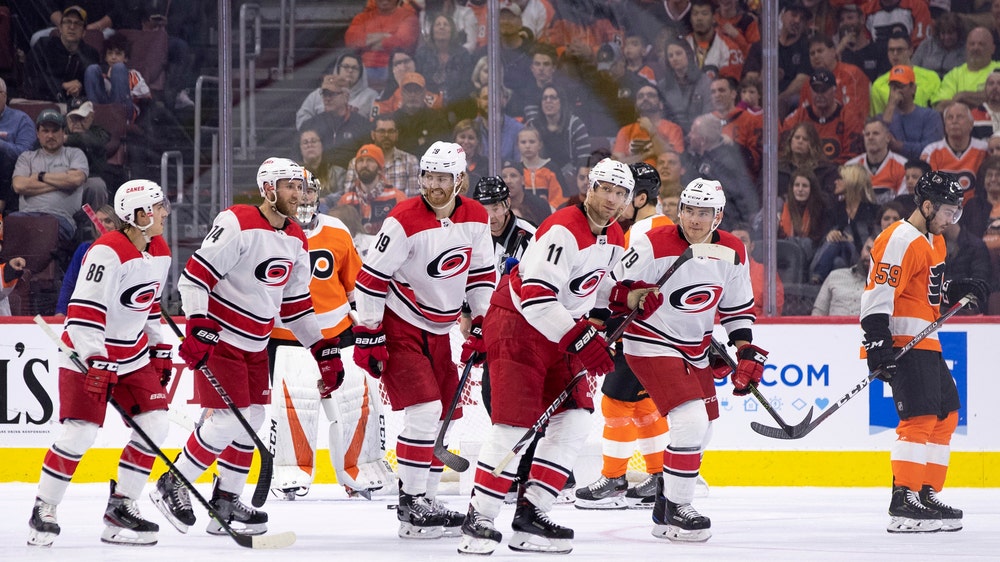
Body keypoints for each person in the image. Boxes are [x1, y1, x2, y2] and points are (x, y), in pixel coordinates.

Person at [457, 157, 661, 555]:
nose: (613, 199)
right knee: (514, 425)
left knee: (576, 416)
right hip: (518, 325)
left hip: (560, 329)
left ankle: (533, 512)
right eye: (606, 190)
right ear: (590, 189)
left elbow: (594, 288)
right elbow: (535, 298)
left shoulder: (615, 234)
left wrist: (628, 296)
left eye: (621, 193)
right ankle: (479, 517)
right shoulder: (563, 229)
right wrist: (583, 341)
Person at [150, 158, 342, 536]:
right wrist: (199, 324)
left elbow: (296, 305)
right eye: (290, 186)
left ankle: (225, 501)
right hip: (220, 338)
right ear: (268, 189)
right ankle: (174, 481)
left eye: (301, 187)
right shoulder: (237, 221)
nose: (298, 194)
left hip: (256, 344)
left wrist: (322, 349)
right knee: (226, 419)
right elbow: (193, 279)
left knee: (252, 419)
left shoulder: (296, 238)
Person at [351, 141, 496, 540]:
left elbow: (482, 274)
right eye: (428, 176)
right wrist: (368, 333)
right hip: (400, 323)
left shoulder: (477, 217)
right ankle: (412, 501)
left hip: (440, 328)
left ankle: (423, 506)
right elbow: (371, 279)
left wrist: (482, 320)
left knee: (445, 412)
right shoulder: (402, 219)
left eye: (442, 178)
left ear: (459, 180)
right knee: (425, 409)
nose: (433, 185)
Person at [613, 178, 764, 543]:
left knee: (704, 429)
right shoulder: (652, 243)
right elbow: (612, 283)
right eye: (689, 211)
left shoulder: (733, 250)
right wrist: (631, 295)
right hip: (650, 341)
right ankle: (681, 508)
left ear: (719, 216)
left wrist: (745, 350)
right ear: (679, 210)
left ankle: (665, 506)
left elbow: (736, 309)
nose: (695, 220)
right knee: (690, 421)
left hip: (696, 346)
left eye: (704, 213)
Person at [27, 179, 172, 547]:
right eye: (158, 207)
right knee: (81, 433)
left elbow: (148, 305)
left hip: (133, 355)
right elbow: (83, 313)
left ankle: (121, 507)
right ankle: (44, 508)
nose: (164, 212)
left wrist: (159, 348)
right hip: (87, 353)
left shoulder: (160, 250)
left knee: (155, 424)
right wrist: (96, 358)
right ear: (138, 215)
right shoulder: (107, 251)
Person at [860, 171, 989, 533]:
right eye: (948, 211)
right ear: (927, 205)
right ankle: (903, 501)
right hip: (902, 344)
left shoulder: (935, 241)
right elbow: (877, 293)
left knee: (945, 416)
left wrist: (955, 289)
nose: (952, 219)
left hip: (928, 343)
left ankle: (926, 493)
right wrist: (876, 343)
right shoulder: (900, 238)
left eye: (956, 212)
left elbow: (927, 289)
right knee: (918, 421)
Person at [575, 163, 670, 510]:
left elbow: (615, 285)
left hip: (641, 334)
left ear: (640, 198)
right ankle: (660, 477)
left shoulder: (641, 234)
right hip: (658, 335)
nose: (616, 202)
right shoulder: (666, 227)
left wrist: (605, 326)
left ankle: (613, 479)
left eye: (624, 195)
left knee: (614, 402)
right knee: (643, 404)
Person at [267, 171, 367, 498]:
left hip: (339, 334)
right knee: (294, 406)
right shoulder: (270, 233)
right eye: (296, 189)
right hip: (286, 335)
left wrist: (368, 327)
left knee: (352, 404)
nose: (303, 197)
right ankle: (291, 473)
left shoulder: (337, 231)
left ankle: (359, 470)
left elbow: (356, 288)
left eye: (308, 190)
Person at [11, 109, 96, 242]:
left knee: (40, 238)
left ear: (63, 133)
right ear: (37, 134)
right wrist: (62, 183)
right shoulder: (26, 157)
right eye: (45, 131)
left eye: (55, 130)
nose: (50, 135)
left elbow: (75, 179)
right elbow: (19, 186)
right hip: (24, 215)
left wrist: (40, 176)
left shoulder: (75, 154)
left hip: (59, 219)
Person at [683, 114, 759, 230]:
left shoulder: (726, 163)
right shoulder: (706, 156)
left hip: (726, 227)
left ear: (703, 140)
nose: (689, 136)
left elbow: (735, 198)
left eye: (693, 132)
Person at [810, 164, 880, 284]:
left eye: (840, 178)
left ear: (852, 182)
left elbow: (874, 239)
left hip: (861, 256)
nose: (835, 182)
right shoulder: (834, 208)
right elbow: (820, 239)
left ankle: (817, 276)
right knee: (838, 260)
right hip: (839, 256)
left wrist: (852, 239)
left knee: (841, 243)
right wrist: (830, 234)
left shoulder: (873, 211)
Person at [780, 69, 865, 166]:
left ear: (834, 91)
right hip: (801, 173)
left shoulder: (849, 118)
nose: (819, 94)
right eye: (816, 89)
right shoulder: (798, 117)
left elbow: (853, 157)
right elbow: (784, 152)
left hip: (837, 174)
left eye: (823, 90)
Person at [336, 144, 407, 253]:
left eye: (370, 160)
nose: (364, 165)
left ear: (379, 168)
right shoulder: (346, 200)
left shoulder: (397, 197)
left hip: (388, 255)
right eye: (360, 161)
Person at [56, 204, 122, 316]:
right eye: (99, 221)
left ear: (117, 224)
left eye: (108, 221)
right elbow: (70, 283)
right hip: (87, 311)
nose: (103, 225)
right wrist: (61, 311)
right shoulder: (84, 249)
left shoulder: (128, 250)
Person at [25, 6, 100, 103]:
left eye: (77, 23)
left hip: (76, 105)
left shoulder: (91, 54)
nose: (72, 27)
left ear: (84, 32)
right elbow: (30, 78)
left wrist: (80, 88)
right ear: (60, 28)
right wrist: (62, 85)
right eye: (68, 22)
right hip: (43, 102)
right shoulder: (43, 45)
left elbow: (92, 88)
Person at [300, 77, 372, 170]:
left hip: (350, 179)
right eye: (324, 94)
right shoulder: (310, 125)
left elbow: (369, 159)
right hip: (317, 178)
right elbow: (296, 158)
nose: (327, 99)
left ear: (346, 97)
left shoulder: (362, 125)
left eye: (332, 94)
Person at [344, 0, 420, 88]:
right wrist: (385, 36)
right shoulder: (362, 18)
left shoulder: (408, 17)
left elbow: (404, 42)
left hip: (395, 68)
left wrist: (367, 42)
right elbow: (350, 40)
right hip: (364, 68)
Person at [879, 65, 945, 162]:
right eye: (893, 87)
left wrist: (900, 146)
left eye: (900, 86)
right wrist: (891, 106)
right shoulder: (883, 117)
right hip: (891, 170)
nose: (896, 92)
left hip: (922, 169)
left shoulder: (930, 116)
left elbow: (932, 149)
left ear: (913, 88)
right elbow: (878, 142)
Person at [345, 114, 421, 197]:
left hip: (401, 208)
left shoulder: (410, 161)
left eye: (391, 131)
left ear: (397, 134)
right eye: (381, 131)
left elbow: (413, 198)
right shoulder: (357, 163)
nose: (386, 135)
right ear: (373, 135)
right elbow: (349, 197)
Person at [296, 53, 379, 128]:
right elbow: (302, 116)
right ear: (338, 69)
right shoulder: (318, 94)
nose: (350, 71)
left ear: (361, 73)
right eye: (346, 67)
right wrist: (316, 132)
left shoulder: (371, 96)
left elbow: (376, 123)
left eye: (355, 68)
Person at [83, 32, 151, 122]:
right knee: (92, 69)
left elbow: (147, 96)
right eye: (110, 53)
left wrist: (126, 92)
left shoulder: (133, 75)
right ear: (106, 57)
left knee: (118, 68)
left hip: (125, 111)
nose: (113, 57)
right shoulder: (101, 77)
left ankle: (118, 121)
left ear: (126, 58)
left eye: (118, 54)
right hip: (104, 111)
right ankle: (94, 117)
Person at [612, 84, 685, 167]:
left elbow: (673, 160)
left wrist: (651, 130)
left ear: (661, 104)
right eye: (640, 96)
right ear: (636, 106)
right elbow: (616, 165)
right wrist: (648, 153)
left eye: (651, 95)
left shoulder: (673, 129)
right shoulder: (625, 131)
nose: (645, 98)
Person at [846, 118, 908, 203]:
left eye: (876, 133)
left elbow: (902, 203)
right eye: (867, 134)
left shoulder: (903, 166)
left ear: (888, 137)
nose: (870, 137)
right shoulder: (851, 167)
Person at [811, 236, 874, 316]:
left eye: (876, 252)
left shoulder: (886, 288)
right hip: (832, 328)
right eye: (868, 249)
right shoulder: (834, 276)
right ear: (861, 249)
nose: (869, 256)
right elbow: (818, 313)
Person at [0, 78, 36, 213]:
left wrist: (1, 145)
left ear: (4, 95)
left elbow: (27, 154)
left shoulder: (21, 120)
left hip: (9, 178)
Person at [517, 126, 567, 210]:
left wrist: (547, 209)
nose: (527, 146)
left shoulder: (551, 168)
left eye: (532, 142)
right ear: (518, 145)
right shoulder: (516, 170)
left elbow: (560, 198)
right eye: (523, 142)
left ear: (540, 145)